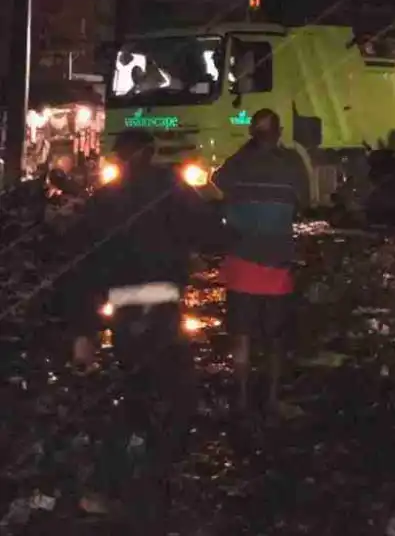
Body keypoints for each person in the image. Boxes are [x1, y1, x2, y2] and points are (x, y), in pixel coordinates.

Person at [66, 129, 198, 523]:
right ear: (149, 153)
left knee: (137, 390)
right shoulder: (169, 188)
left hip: (125, 311)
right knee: (172, 396)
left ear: (120, 157)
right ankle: (132, 483)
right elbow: (210, 228)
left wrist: (85, 332)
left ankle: (125, 483)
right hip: (159, 308)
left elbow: (85, 265)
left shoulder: (106, 200)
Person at [211, 109, 310, 418]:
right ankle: (270, 398)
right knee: (274, 338)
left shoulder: (239, 162)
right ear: (279, 133)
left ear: (252, 135)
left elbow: (216, 179)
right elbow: (303, 202)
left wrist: (247, 150)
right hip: (277, 262)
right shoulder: (291, 162)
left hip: (241, 262)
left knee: (242, 335)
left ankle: (240, 399)